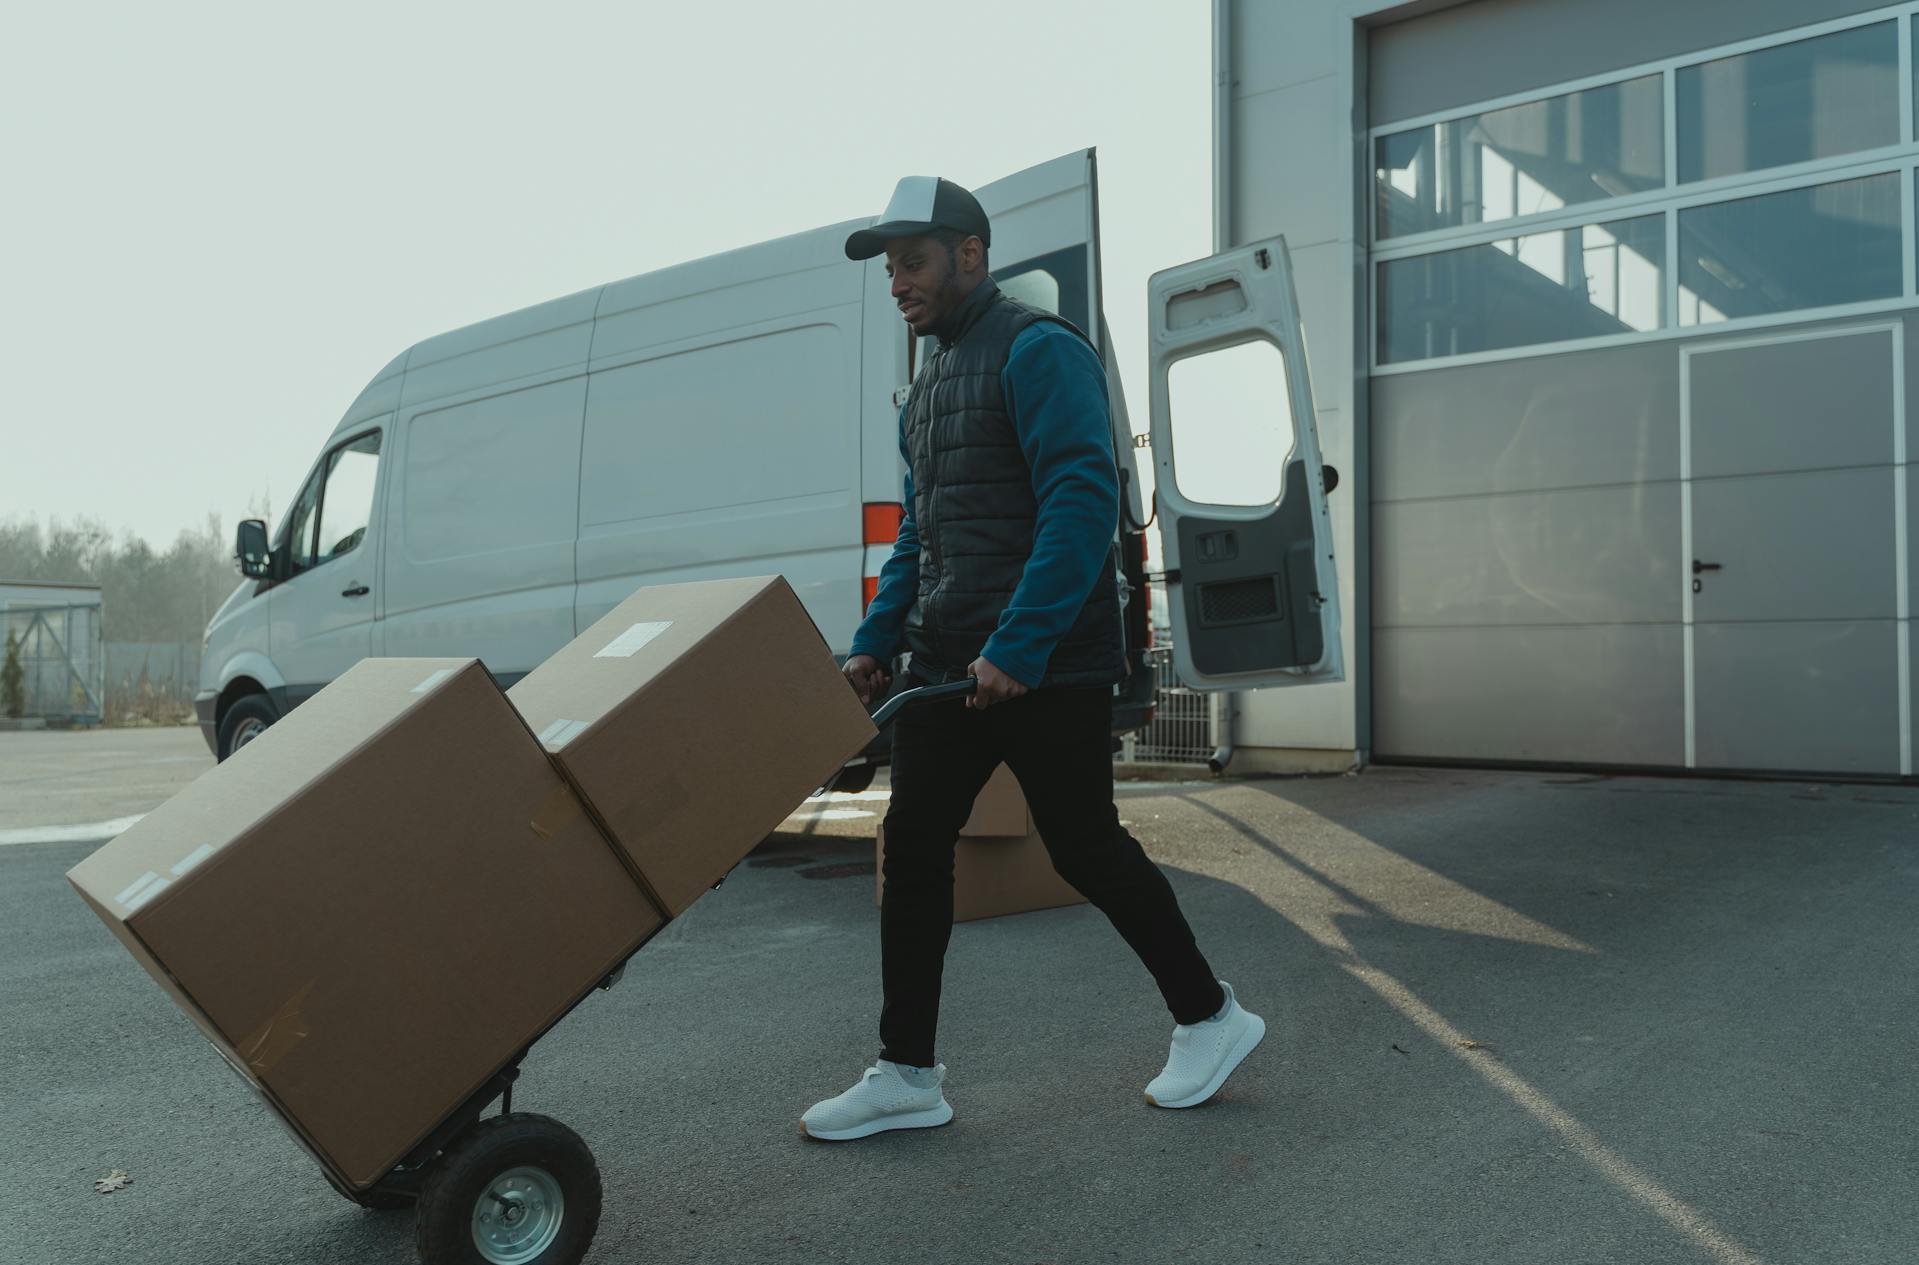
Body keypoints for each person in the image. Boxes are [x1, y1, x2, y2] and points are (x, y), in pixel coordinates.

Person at [800, 176, 1264, 1143]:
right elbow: (922, 535)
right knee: (914, 850)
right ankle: (906, 1072)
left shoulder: (1038, 350)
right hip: (945, 664)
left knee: (1086, 846)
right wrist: (875, 642)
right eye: (888, 268)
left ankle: (1210, 1017)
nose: (897, 284)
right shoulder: (926, 388)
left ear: (970, 254)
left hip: (1043, 663)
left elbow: (1080, 504)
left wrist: (1019, 643)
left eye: (912, 262)